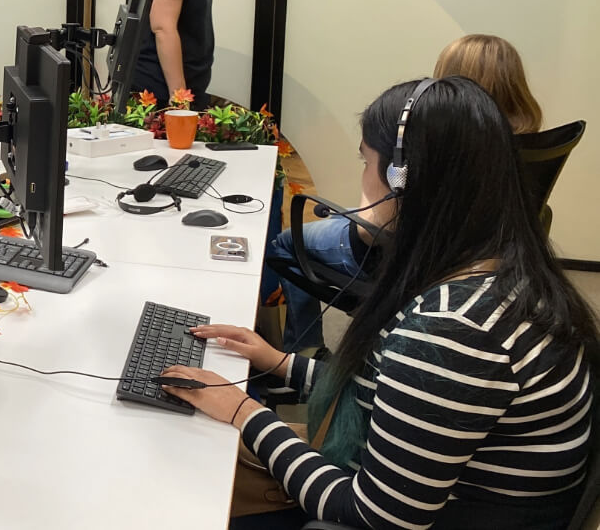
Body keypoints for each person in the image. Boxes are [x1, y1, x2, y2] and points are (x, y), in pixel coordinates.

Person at [163, 77, 597, 530]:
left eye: (366, 160)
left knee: (183, 487)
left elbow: (375, 514)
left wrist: (244, 411)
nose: (363, 177)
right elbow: (395, 394)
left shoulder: (454, 328)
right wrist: (280, 363)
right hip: (436, 493)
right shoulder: (498, 267)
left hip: (393, 512)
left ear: (401, 181)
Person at [265, 33, 545, 351]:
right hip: (483, 258)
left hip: (403, 252)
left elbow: (378, 227)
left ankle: (305, 348)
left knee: (286, 243)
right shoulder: (529, 139)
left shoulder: (440, 142)